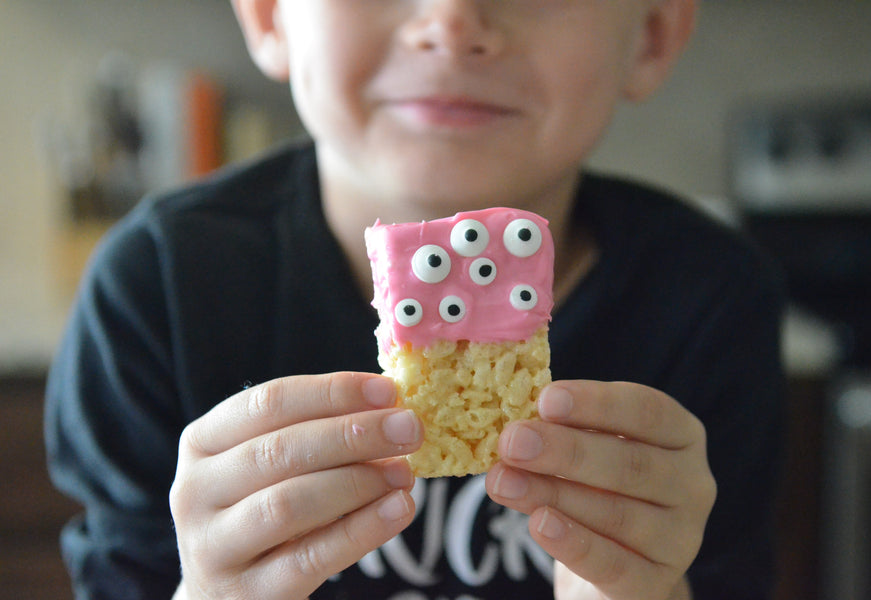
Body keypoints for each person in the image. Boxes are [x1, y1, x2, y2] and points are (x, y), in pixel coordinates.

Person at [45, 1, 785, 599]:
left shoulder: (709, 300)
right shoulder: (159, 288)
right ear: (270, 16)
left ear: (653, 33)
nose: (453, 20)